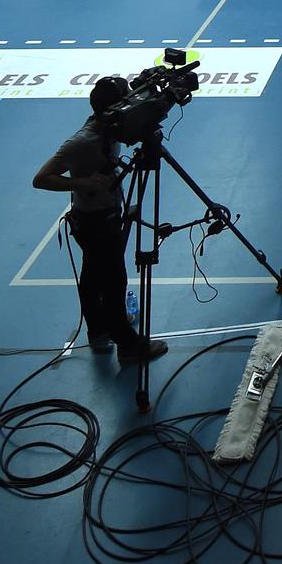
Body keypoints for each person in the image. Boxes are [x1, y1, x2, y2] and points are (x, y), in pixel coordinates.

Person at [30, 80, 168, 362]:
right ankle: (129, 346)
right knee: (114, 281)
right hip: (94, 221)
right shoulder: (82, 142)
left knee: (92, 276)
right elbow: (41, 179)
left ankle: (97, 330)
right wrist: (83, 182)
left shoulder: (114, 128)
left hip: (104, 214)